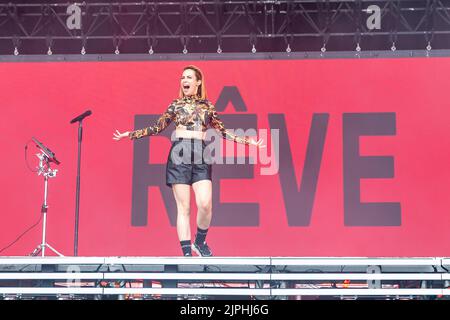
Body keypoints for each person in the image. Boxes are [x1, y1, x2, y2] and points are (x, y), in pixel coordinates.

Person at [113, 65, 265, 256]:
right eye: (182, 78)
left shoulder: (207, 106)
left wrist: (247, 142)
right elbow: (158, 127)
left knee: (205, 203)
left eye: (189, 78)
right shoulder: (175, 105)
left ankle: (200, 242)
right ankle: (186, 253)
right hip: (180, 153)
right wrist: (131, 134)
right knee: (183, 207)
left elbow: (223, 131)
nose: (184, 80)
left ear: (198, 82)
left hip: (200, 153)